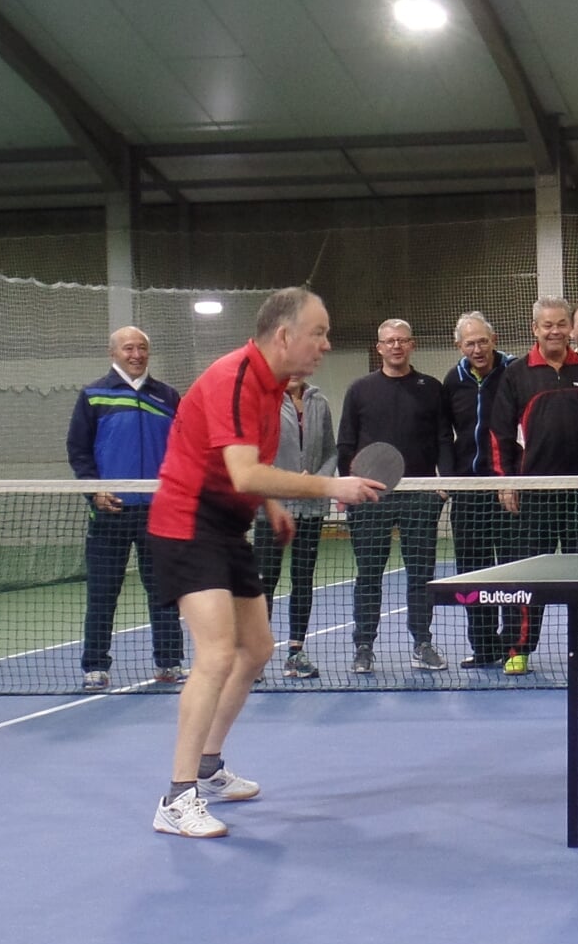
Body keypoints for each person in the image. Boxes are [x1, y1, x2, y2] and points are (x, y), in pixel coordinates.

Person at [145, 286, 382, 837]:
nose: (325, 344)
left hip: (226, 525)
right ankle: (176, 798)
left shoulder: (275, 388)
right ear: (284, 335)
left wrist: (272, 504)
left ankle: (207, 766)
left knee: (258, 647)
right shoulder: (235, 378)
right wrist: (331, 486)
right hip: (185, 522)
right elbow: (245, 473)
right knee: (218, 651)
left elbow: (244, 466)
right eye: (319, 333)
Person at [489, 295, 578, 674]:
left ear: (570, 327)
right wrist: (506, 482)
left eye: (561, 324)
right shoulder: (517, 374)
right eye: (547, 325)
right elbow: (499, 434)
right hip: (534, 493)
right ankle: (519, 648)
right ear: (534, 329)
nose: (555, 331)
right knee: (528, 576)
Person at [67, 326, 185, 690]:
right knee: (102, 593)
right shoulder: (93, 395)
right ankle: (95, 667)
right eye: (128, 348)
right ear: (113, 353)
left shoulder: (167, 396)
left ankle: (169, 663)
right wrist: (95, 492)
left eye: (142, 348)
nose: (136, 354)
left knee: (164, 591)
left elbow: (182, 449)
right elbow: (79, 451)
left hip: (158, 511)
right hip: (110, 513)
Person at [336, 318, 453, 674]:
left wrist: (444, 483)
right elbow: (346, 444)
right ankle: (364, 646)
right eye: (390, 341)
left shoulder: (431, 388)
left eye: (402, 340)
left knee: (422, 573)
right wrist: (348, 486)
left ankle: (422, 642)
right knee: (368, 573)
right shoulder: (360, 389)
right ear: (380, 348)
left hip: (419, 496)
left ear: (412, 344)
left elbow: (444, 439)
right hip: (371, 496)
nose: (396, 346)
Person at [442, 311, 514, 671]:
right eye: (470, 343)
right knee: (474, 573)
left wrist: (513, 477)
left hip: (507, 489)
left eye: (483, 341)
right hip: (469, 492)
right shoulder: (452, 382)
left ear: (494, 339)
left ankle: (515, 647)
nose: (477, 348)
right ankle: (484, 647)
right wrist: (448, 478)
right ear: (460, 346)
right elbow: (444, 434)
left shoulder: (513, 372)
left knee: (513, 573)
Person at [252, 373, 336, 679]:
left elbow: (331, 451)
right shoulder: (263, 402)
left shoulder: (320, 402)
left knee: (303, 580)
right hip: (272, 507)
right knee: (264, 583)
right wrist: (284, 482)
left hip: (311, 508)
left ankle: (296, 652)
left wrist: (313, 482)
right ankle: (256, 658)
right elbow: (254, 455)